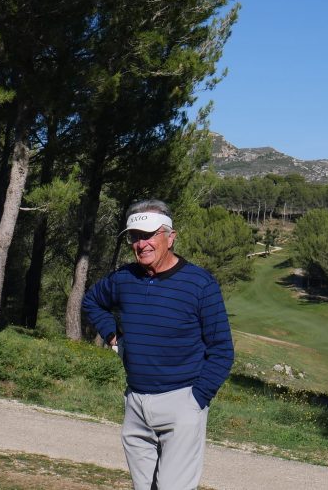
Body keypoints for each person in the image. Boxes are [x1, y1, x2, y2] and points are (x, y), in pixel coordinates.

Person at [82, 199, 234, 490]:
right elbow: (92, 301)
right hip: (136, 403)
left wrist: (196, 402)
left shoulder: (200, 284)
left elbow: (222, 351)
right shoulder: (123, 279)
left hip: (183, 403)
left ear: (170, 237)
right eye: (135, 237)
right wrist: (114, 336)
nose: (142, 244)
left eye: (149, 235)